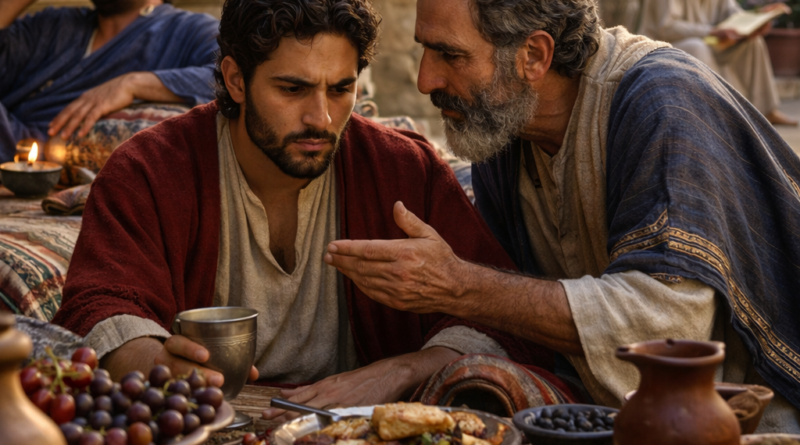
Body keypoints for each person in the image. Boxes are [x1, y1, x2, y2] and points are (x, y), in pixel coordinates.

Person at [52, 0, 572, 421]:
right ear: (235, 80)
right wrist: (155, 362)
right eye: (292, 88)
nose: (321, 118)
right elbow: (99, 304)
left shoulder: (403, 169)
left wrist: (403, 370)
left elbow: (492, 315)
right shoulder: (149, 169)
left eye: (340, 89)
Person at [324, 0, 800, 432]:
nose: (426, 79)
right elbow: (508, 301)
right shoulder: (503, 128)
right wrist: (406, 367)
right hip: (619, 409)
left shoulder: (659, 102)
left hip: (745, 420)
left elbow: (667, 331)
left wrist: (459, 285)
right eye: (426, 52)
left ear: (533, 55)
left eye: (450, 55)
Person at [0, 0, 219, 159]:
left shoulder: (188, 30)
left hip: (41, 157)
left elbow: (232, 77)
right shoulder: (54, 25)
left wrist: (133, 84)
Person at [638, 0, 797, 126]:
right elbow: (666, 27)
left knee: (753, 43)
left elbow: (733, 15)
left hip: (709, 40)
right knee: (698, 47)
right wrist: (711, 31)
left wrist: (757, 19)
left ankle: (765, 111)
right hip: (664, 44)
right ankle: (714, 111)